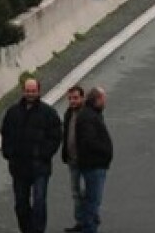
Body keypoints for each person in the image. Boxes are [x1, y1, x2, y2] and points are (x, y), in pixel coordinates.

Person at [1, 78, 62, 233]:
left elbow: (55, 136)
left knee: (39, 201)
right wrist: (9, 153)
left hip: (40, 166)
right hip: (19, 167)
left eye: (33, 91)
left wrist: (44, 154)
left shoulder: (48, 113)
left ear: (38, 91)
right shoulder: (12, 112)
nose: (30, 94)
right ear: (23, 91)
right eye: (28, 91)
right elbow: (5, 133)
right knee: (21, 204)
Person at [75, 88, 113, 233]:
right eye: (104, 99)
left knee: (90, 199)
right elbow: (90, 141)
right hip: (94, 165)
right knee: (93, 200)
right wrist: (105, 151)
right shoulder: (88, 117)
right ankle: (89, 228)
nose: (105, 102)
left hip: (94, 164)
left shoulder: (90, 114)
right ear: (97, 99)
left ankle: (89, 225)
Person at [61, 85, 87, 233]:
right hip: (72, 160)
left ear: (82, 98)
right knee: (76, 192)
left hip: (86, 161)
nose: (72, 101)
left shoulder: (88, 114)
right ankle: (80, 222)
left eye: (76, 98)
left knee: (87, 192)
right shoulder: (68, 114)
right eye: (70, 98)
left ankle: (88, 221)